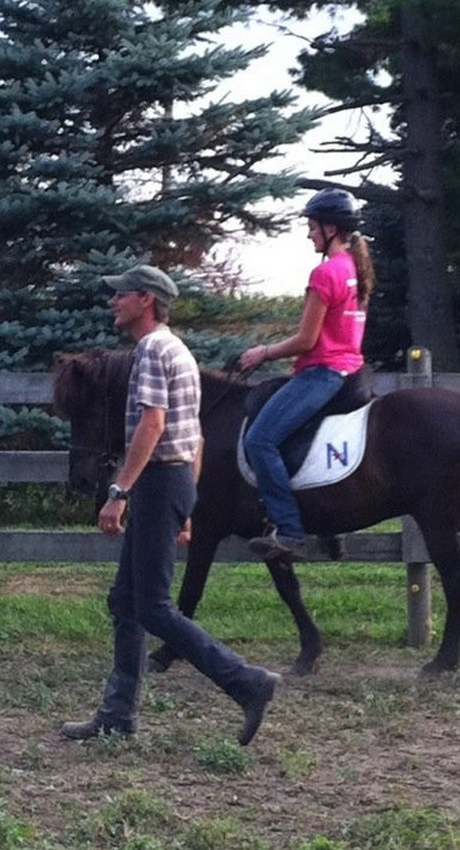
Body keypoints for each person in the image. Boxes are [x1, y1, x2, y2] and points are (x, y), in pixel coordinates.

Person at [61, 264, 279, 746]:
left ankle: (247, 682)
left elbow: (154, 426)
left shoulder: (153, 351)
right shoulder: (178, 350)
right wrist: (190, 504)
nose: (114, 302)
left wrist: (119, 493)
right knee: (125, 600)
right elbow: (195, 435)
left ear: (146, 300)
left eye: (122, 295)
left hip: (158, 483)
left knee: (154, 607)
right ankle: (118, 715)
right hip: (172, 484)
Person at [240, 189, 375, 560]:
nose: (309, 234)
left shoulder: (325, 273)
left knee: (260, 441)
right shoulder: (356, 269)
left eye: (312, 227)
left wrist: (262, 353)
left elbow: (306, 339)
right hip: (351, 371)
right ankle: (330, 525)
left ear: (330, 228)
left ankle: (290, 530)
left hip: (324, 373)